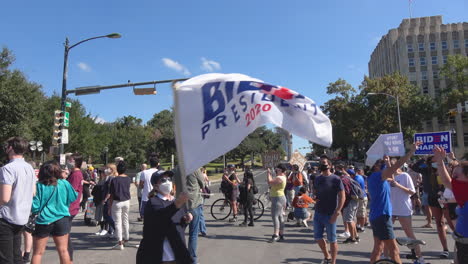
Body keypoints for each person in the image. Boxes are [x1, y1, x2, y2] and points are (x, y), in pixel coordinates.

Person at [368, 142, 420, 264]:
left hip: (376, 216)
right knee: (394, 250)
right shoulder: (378, 176)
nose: (383, 165)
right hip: (382, 216)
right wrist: (411, 151)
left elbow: (392, 173)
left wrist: (386, 162)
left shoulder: (374, 177)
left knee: (378, 248)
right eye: (380, 163)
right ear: (375, 166)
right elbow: (398, 165)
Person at [136, 171, 193, 264]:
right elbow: (162, 216)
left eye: (169, 179)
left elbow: (178, 227)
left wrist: (185, 220)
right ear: (155, 186)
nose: (167, 182)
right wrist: (178, 203)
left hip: (177, 252)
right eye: (163, 180)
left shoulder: (175, 201)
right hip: (161, 256)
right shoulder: (153, 203)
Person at [30, 161, 78, 264]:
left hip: (43, 220)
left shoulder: (39, 185)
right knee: (63, 250)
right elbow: (73, 197)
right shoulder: (64, 183)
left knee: (37, 253)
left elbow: (35, 206)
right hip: (62, 218)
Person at [0, 137, 36, 264]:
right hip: (22, 216)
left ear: (11, 148)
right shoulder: (29, 168)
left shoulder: (7, 169)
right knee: (16, 255)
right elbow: (33, 192)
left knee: (5, 257)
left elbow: (4, 197)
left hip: (6, 217)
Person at [433, 147, 468, 264]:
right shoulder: (463, 188)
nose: (454, 179)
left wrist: (440, 161)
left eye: (456, 176)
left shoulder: (465, 190)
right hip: (461, 240)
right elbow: (447, 181)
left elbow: (447, 181)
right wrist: (440, 162)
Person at [388, 161, 425, 264]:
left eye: (392, 164)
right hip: (390, 209)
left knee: (409, 234)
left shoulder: (405, 176)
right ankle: (385, 256)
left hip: (403, 208)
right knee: (386, 234)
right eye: (388, 165)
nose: (390, 166)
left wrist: (398, 185)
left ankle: (419, 258)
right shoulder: (387, 177)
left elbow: (412, 191)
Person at [413, 156, 449, 258]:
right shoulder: (426, 170)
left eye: (436, 159)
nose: (435, 161)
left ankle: (460, 246)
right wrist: (423, 158)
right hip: (433, 198)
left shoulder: (446, 168)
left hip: (447, 199)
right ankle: (445, 249)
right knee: (440, 223)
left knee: (452, 222)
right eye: (433, 160)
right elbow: (415, 167)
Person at [313, 157, 345, 264]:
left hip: (330, 214)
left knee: (332, 240)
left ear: (330, 166)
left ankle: (333, 262)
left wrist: (337, 212)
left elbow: (342, 197)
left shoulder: (336, 179)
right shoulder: (317, 179)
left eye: (325, 163)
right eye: (321, 163)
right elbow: (316, 193)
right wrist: (315, 198)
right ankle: (327, 256)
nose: (323, 165)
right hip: (318, 212)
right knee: (318, 237)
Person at [108, 161, 132, 250]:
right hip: (126, 201)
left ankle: (120, 242)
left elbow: (111, 195)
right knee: (125, 220)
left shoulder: (114, 180)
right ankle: (126, 238)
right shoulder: (128, 179)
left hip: (117, 201)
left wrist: (109, 207)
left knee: (118, 222)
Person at [66, 153, 84, 262]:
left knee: (65, 235)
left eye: (71, 160)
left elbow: (71, 191)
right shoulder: (74, 173)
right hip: (71, 207)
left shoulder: (76, 174)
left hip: (70, 207)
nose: (68, 162)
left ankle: (69, 258)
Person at [186, 167, 206, 264]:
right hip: (193, 203)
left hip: (180, 204)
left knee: (178, 233)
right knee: (193, 234)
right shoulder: (194, 169)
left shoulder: (177, 169)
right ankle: (192, 260)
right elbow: (203, 184)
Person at [267, 164, 287, 243]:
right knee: (279, 216)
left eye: (277, 170)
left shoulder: (280, 178)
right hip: (279, 197)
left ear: (281, 170)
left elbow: (270, 182)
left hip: (277, 198)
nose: (276, 171)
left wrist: (268, 174)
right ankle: (281, 234)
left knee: (275, 216)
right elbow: (272, 183)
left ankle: (276, 235)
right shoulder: (282, 177)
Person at [139, 155, 163, 220]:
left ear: (150, 164)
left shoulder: (144, 172)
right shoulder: (161, 173)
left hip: (146, 197)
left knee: (145, 217)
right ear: (158, 164)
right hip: (158, 197)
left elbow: (140, 186)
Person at [102, 163, 117, 237]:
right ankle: (110, 231)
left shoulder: (112, 178)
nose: (106, 169)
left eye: (108, 168)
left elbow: (110, 191)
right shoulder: (108, 177)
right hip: (107, 198)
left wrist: (105, 199)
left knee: (107, 215)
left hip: (108, 199)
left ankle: (115, 229)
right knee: (108, 215)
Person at [92, 167, 107, 236]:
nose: (101, 174)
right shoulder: (100, 181)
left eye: (102, 173)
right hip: (98, 199)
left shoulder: (106, 181)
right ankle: (101, 228)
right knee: (99, 215)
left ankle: (105, 229)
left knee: (103, 215)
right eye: (100, 173)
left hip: (103, 200)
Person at [354, 168, 368, 232]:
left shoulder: (357, 178)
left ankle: (362, 227)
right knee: (359, 213)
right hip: (361, 197)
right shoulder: (360, 177)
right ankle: (358, 225)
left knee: (361, 213)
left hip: (361, 197)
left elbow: (356, 187)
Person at [199, 167, 209, 236]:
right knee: (200, 213)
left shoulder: (199, 176)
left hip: (199, 195)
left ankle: (202, 230)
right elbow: (208, 181)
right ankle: (202, 230)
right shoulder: (204, 175)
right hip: (202, 194)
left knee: (199, 213)